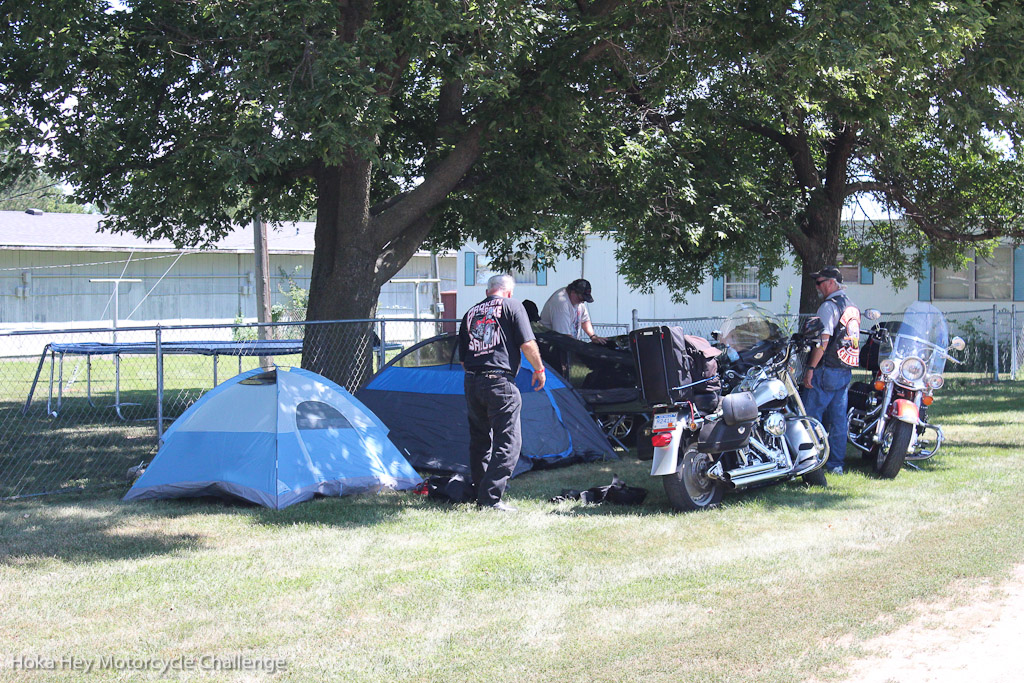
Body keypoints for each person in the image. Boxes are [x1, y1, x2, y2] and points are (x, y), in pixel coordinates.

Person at [458, 274, 546, 512]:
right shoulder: (513, 306)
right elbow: (527, 343)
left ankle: (481, 491)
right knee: (509, 442)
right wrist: (538, 368)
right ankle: (490, 499)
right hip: (499, 382)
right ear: (508, 292)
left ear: (489, 291)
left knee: (480, 441)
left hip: (472, 382)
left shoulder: (470, 313)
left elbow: (464, 359)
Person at [801, 266, 861, 475]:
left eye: (819, 283)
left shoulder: (828, 306)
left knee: (811, 416)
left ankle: (810, 462)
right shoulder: (851, 306)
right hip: (844, 370)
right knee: (838, 420)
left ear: (831, 283)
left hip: (825, 370)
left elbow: (822, 341)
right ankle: (836, 464)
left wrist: (810, 367)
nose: (817, 287)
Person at [539, 278, 608, 345]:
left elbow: (585, 320)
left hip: (568, 344)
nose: (583, 301)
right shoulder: (561, 302)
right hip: (551, 345)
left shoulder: (579, 302)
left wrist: (593, 336)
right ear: (573, 292)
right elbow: (564, 336)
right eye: (581, 298)